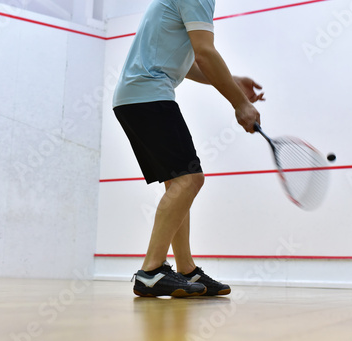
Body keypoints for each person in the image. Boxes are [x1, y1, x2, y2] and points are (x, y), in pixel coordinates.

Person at [113, 0, 264, 297]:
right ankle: (151, 272)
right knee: (190, 180)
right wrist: (240, 103)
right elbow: (206, 53)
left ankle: (186, 270)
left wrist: (232, 82)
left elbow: (189, 63)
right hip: (148, 95)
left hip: (136, 97)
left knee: (179, 181)